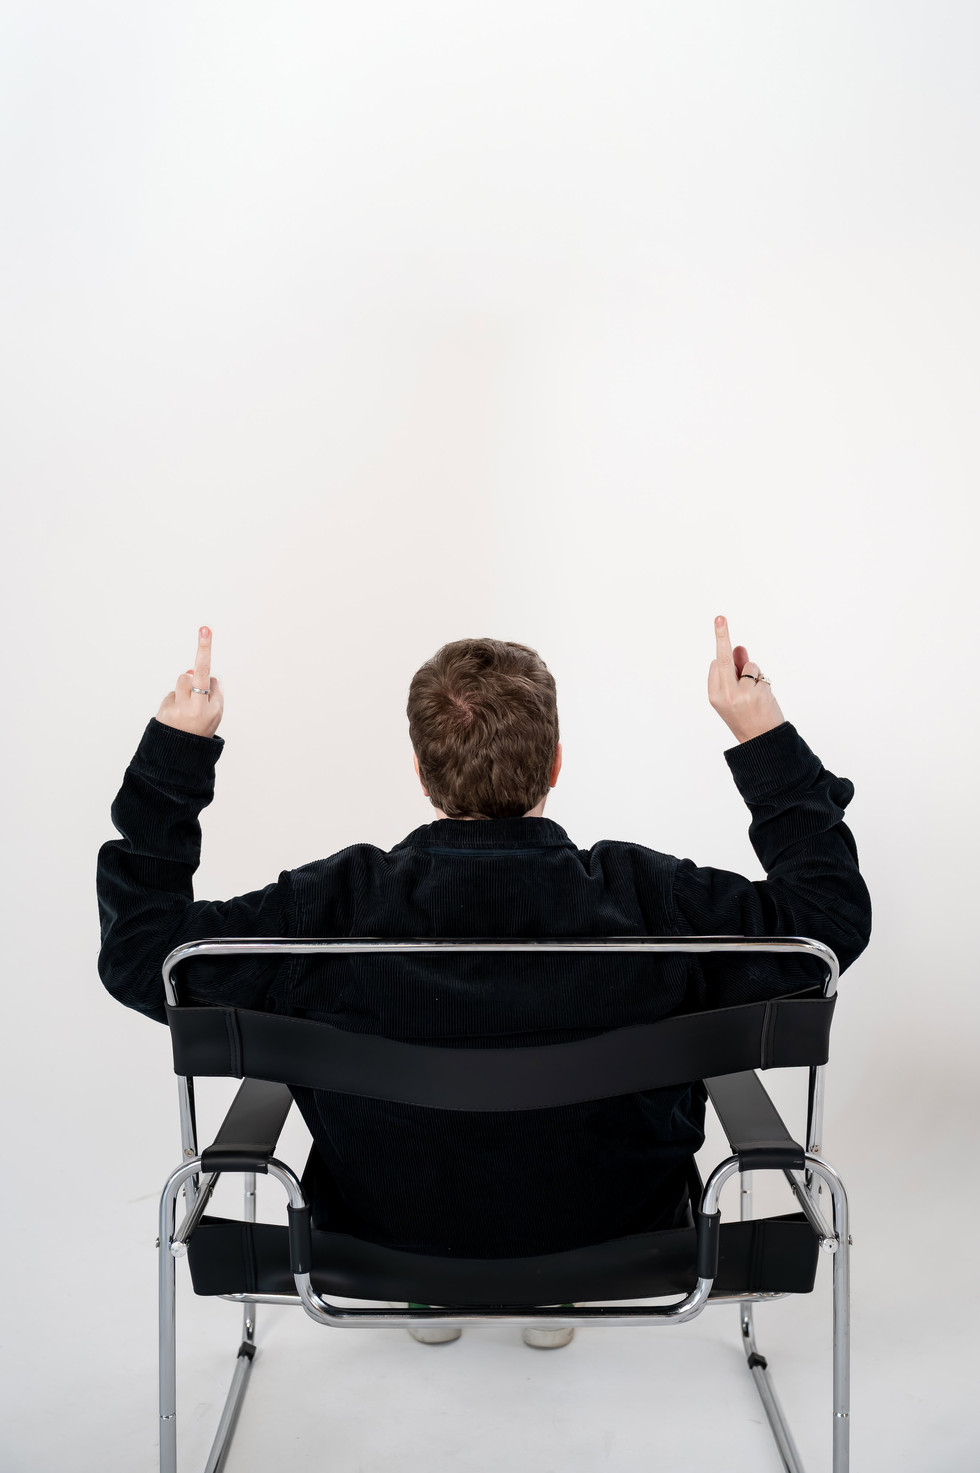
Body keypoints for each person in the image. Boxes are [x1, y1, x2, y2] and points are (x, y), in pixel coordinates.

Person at [97, 616, 871, 1349]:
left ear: (421, 773)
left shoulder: (333, 907)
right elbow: (828, 919)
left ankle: (435, 1287)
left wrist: (177, 753)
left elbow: (143, 955)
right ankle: (549, 1284)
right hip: (619, 1233)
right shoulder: (648, 900)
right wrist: (760, 733)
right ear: (557, 762)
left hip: (380, 1234)